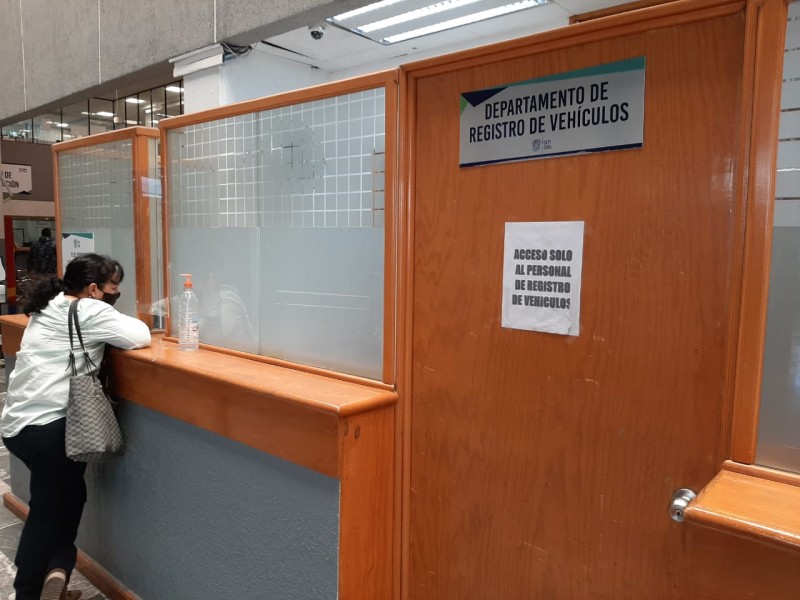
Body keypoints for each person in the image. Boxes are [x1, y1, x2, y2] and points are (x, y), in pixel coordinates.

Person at [0, 254, 151, 600]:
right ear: (94, 288)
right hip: (51, 430)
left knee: (69, 497)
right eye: (114, 286)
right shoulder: (89, 310)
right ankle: (29, 592)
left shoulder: (48, 303)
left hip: (18, 427)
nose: (117, 293)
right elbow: (140, 335)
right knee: (47, 514)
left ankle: (56, 575)